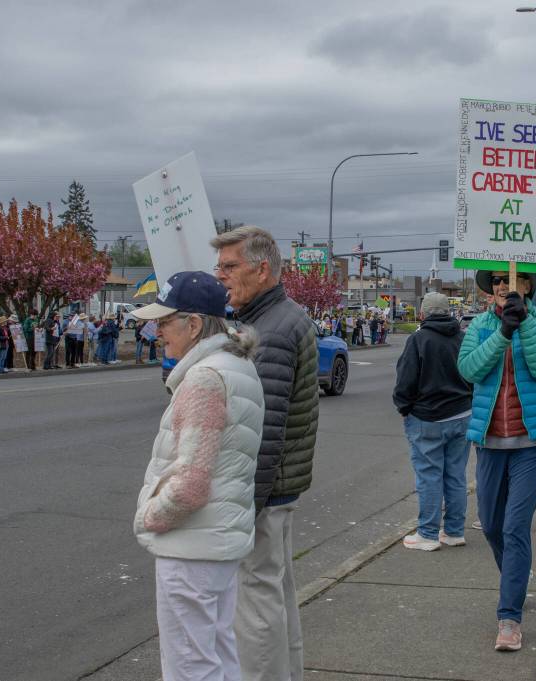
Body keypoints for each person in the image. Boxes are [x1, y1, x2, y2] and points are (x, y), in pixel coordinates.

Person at [131, 270, 265, 681]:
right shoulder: (235, 368)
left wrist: (150, 516)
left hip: (191, 547)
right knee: (219, 654)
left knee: (190, 665)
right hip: (218, 541)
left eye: (164, 322)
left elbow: (190, 484)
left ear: (192, 325)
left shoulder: (205, 379)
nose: (157, 332)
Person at [211, 226, 319, 681]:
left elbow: (266, 426)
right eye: (218, 266)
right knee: (273, 595)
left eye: (229, 266)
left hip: (265, 488)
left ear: (261, 269)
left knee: (254, 605)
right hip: (279, 485)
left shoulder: (271, 330)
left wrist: (245, 505)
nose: (220, 276)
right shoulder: (278, 317)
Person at [458, 269, 536, 652]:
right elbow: (469, 370)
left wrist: (524, 326)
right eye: (498, 281)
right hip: (490, 441)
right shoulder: (481, 325)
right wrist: (503, 332)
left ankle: (509, 618)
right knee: (490, 525)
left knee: (515, 525)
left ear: (528, 286)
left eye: (512, 279)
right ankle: (516, 578)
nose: (504, 286)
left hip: (532, 441)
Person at [393, 292, 473, 551]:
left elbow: (406, 380)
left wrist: (404, 407)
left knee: (429, 476)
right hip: (462, 413)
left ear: (423, 314)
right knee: (456, 475)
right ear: (448, 312)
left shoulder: (418, 340)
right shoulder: (462, 338)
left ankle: (427, 533)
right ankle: (454, 530)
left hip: (427, 416)